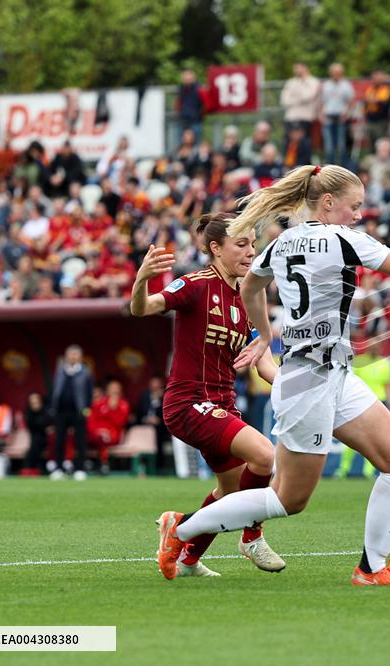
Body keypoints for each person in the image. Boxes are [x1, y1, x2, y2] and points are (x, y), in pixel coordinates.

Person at [155, 164, 390, 586]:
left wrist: (264, 334)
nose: (358, 215)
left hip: (333, 373)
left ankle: (372, 569)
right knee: (288, 500)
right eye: (354, 206)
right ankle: (180, 529)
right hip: (309, 380)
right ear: (328, 203)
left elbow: (251, 287)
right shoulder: (344, 239)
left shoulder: (280, 243)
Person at [132, 212, 284, 578]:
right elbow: (142, 308)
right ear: (216, 248)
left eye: (253, 244)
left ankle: (186, 558)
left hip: (222, 405)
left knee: (230, 493)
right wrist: (142, 279)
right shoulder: (195, 285)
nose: (251, 252)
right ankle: (251, 535)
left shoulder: (248, 296)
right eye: (242, 244)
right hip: (188, 402)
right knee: (265, 457)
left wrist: (292, 390)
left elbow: (262, 362)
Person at [334, 339, 390, 480]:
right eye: (372, 346)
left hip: (380, 401)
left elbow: (388, 385)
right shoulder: (359, 362)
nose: (375, 348)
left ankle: (368, 471)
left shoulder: (385, 363)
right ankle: (343, 469)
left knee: (375, 438)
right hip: (360, 402)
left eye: (377, 346)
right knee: (353, 436)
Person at [49, 344, 93, 480]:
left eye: (76, 354)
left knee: (79, 441)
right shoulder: (60, 370)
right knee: (59, 441)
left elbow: (89, 392)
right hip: (61, 411)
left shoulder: (85, 372)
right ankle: (58, 469)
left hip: (78, 411)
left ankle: (79, 469)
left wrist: (86, 408)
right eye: (70, 354)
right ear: (66, 356)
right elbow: (55, 389)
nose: (73, 357)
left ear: (80, 357)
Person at [86, 379, 130, 475]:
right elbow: (91, 421)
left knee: (104, 438)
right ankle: (81, 463)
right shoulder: (99, 403)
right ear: (107, 390)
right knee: (80, 435)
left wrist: (113, 408)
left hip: (113, 434)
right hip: (96, 433)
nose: (114, 391)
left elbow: (120, 423)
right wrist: (97, 431)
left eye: (116, 388)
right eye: (112, 388)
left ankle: (102, 464)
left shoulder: (123, 405)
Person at [320, 63, 355, 166]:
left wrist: (347, 114)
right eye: (334, 72)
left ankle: (341, 167)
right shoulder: (326, 85)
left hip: (341, 118)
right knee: (329, 146)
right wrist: (321, 115)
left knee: (341, 145)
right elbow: (322, 101)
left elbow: (351, 101)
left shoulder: (346, 85)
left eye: (338, 72)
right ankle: (329, 167)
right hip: (328, 117)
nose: (336, 74)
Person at [280, 63, 321, 151]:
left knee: (304, 144)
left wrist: (295, 96)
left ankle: (305, 164)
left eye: (298, 68)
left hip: (306, 118)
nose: (296, 71)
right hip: (291, 117)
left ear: (305, 68)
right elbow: (284, 100)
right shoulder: (291, 82)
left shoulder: (313, 82)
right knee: (288, 143)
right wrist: (300, 99)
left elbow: (309, 96)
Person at [136, 376, 168, 474]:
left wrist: (158, 401)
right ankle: (141, 465)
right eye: (154, 384)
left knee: (156, 432)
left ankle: (158, 466)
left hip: (159, 428)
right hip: (144, 425)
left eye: (158, 385)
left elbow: (165, 414)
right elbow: (140, 412)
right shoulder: (144, 396)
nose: (155, 387)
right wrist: (147, 419)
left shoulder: (164, 397)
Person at [22, 392, 52, 474]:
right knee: (35, 444)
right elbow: (34, 426)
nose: (35, 404)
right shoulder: (29, 414)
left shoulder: (46, 413)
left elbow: (48, 425)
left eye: (36, 402)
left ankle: (36, 468)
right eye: (32, 403)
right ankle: (30, 468)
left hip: (47, 440)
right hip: (35, 439)